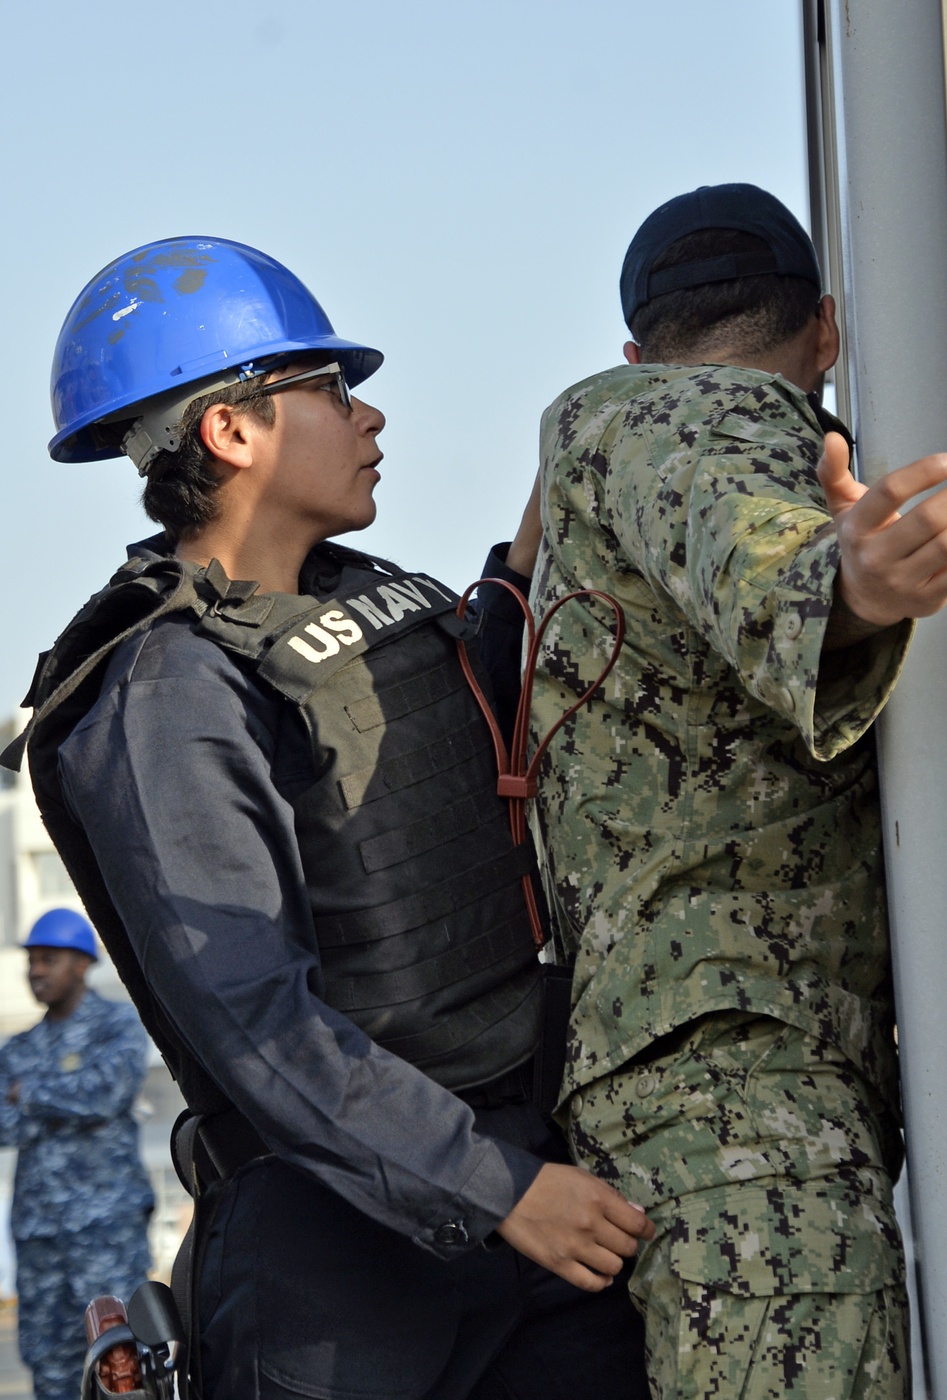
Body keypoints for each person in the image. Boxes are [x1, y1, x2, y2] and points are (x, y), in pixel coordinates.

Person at [0, 237, 653, 1400]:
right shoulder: (164, 689)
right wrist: (498, 1188)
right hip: (345, 1256)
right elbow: (254, 1015)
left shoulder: (368, 602)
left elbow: (469, 696)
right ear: (231, 430)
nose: (373, 417)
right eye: (332, 391)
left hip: (531, 1201)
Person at [526, 183, 947, 1399]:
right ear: (826, 329)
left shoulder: (613, 434)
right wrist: (846, 579)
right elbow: (744, 526)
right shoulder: (675, 414)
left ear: (637, 338)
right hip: (746, 1103)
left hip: (732, 1081)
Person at [0, 907, 153, 1400]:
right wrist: (65, 1095)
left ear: (83, 964)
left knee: (119, 1363)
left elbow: (109, 1092)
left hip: (104, 1230)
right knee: (49, 1364)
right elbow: (3, 1125)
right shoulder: (18, 1049)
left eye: (49, 960)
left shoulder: (117, 1024)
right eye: (31, 962)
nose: (36, 971)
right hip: (40, 1237)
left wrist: (33, 1095)